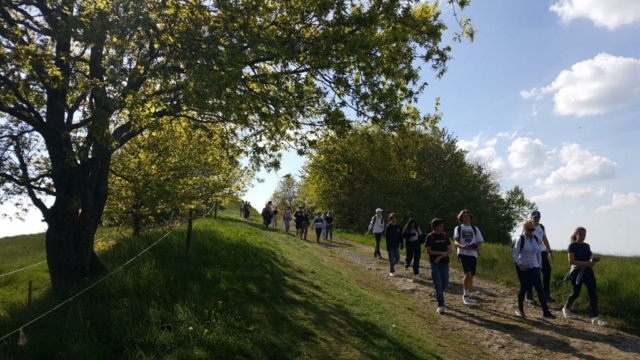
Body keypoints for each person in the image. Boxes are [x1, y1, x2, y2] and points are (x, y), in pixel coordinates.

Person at [561, 227, 607, 326]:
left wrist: (591, 261)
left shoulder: (587, 246)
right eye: (581, 235)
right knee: (576, 293)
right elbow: (571, 261)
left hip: (588, 271)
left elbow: (587, 257)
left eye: (584, 235)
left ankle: (595, 317)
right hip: (577, 272)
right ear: (576, 234)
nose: (582, 237)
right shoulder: (572, 246)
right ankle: (566, 308)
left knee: (593, 293)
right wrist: (586, 263)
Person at [512, 220, 556, 319]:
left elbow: (538, 253)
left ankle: (546, 312)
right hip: (523, 267)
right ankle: (520, 309)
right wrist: (520, 264)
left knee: (539, 288)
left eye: (533, 229)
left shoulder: (536, 238)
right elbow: (515, 254)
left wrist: (539, 266)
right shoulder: (520, 239)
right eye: (529, 229)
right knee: (523, 287)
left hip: (534, 266)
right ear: (524, 229)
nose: (531, 231)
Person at [454, 210, 483, 306]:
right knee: (468, 273)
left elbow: (479, 242)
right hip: (463, 253)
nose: (466, 218)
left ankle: (469, 294)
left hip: (473, 254)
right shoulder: (458, 228)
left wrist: (478, 248)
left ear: (470, 218)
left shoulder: (475, 229)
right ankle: (465, 294)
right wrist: (462, 246)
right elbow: (456, 241)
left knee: (472, 275)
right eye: (464, 216)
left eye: (467, 216)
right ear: (461, 218)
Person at [525, 210, 555, 303]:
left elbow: (544, 238)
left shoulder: (541, 227)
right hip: (532, 253)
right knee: (532, 273)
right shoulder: (528, 226)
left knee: (547, 271)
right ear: (531, 218)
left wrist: (549, 251)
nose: (536, 219)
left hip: (541, 252)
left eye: (538, 217)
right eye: (534, 217)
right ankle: (529, 294)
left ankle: (546, 294)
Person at [426, 218, 451, 314]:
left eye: (442, 225)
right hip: (434, 264)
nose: (442, 227)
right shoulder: (430, 236)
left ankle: (437, 293)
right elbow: (429, 251)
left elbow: (449, 249)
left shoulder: (445, 236)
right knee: (438, 284)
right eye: (440, 225)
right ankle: (441, 304)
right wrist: (441, 253)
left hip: (444, 263)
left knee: (445, 283)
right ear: (435, 226)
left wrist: (441, 255)